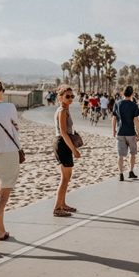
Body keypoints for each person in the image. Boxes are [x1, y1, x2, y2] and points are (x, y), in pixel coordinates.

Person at [0, 77, 21, 251]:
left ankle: (1, 231)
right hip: (6, 154)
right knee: (2, 197)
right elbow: (16, 127)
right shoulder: (9, 107)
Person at [53, 84, 81, 217]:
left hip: (63, 143)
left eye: (72, 96)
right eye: (67, 96)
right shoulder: (62, 111)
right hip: (63, 144)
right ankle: (57, 208)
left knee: (67, 177)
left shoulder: (64, 109)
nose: (70, 98)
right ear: (60, 97)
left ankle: (63, 204)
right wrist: (74, 150)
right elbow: (63, 133)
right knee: (64, 178)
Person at [112, 86, 139, 182]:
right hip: (130, 133)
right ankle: (131, 171)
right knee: (132, 153)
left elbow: (114, 118)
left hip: (120, 132)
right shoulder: (134, 105)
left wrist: (113, 130)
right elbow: (136, 120)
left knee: (120, 155)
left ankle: (120, 174)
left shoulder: (117, 103)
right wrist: (138, 132)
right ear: (132, 94)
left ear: (122, 93)